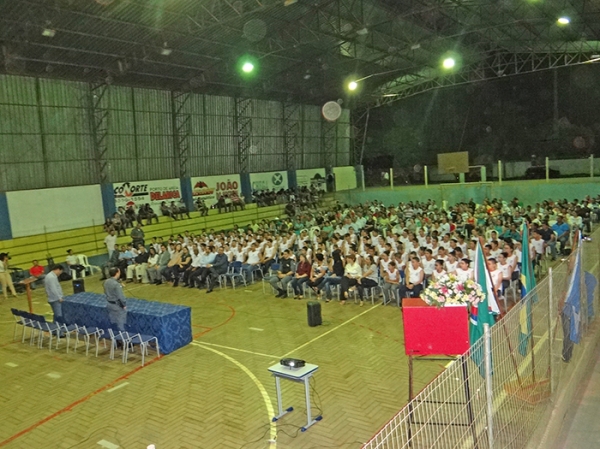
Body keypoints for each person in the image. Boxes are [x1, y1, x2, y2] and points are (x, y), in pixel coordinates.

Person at [104, 267, 127, 332]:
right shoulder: (116, 284)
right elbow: (121, 297)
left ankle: (115, 338)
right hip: (117, 305)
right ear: (117, 273)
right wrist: (124, 305)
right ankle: (122, 338)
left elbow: (107, 291)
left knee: (113, 322)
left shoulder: (106, 281)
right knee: (121, 322)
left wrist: (120, 286)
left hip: (109, 303)